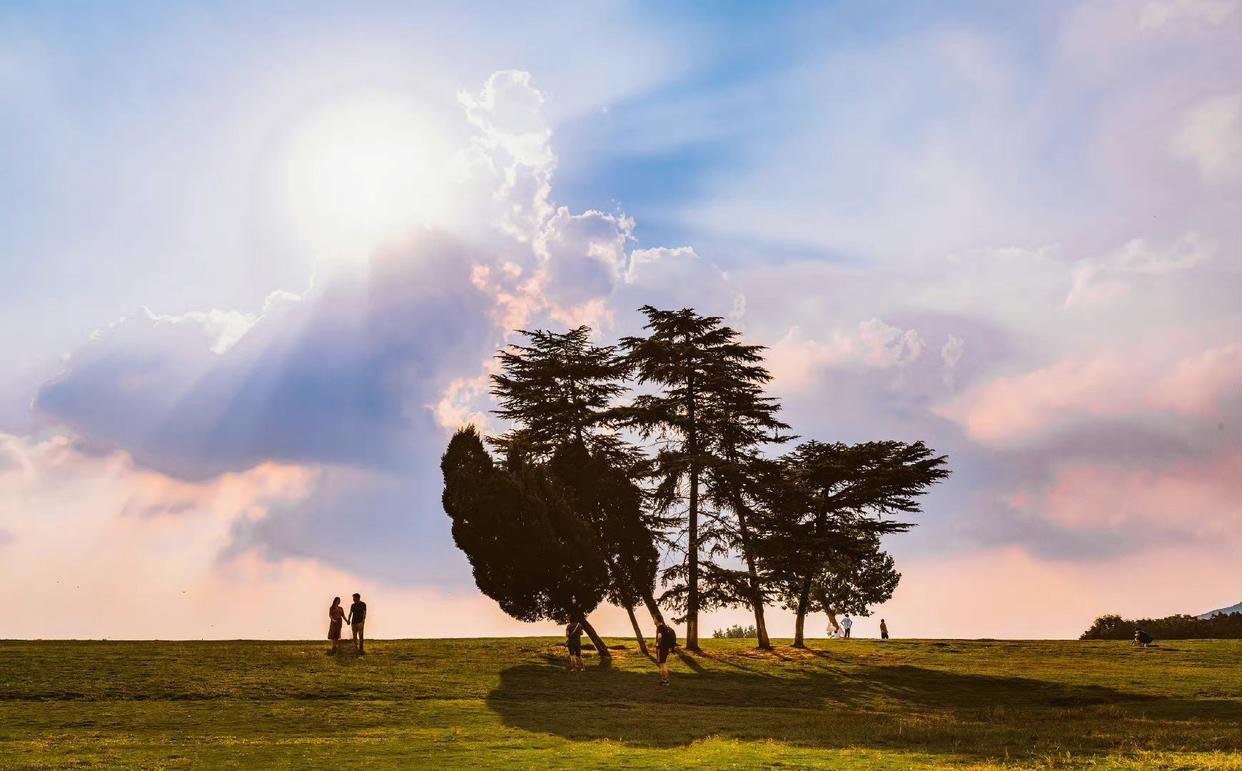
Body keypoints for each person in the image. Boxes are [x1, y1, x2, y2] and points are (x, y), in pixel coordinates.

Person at [654, 619, 677, 686]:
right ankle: (664, 680)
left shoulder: (660, 628)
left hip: (661, 648)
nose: (654, 620)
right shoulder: (664, 627)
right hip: (666, 648)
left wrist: (658, 645)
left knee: (662, 664)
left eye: (655, 619)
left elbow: (660, 637)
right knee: (663, 663)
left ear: (657, 620)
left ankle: (666, 681)